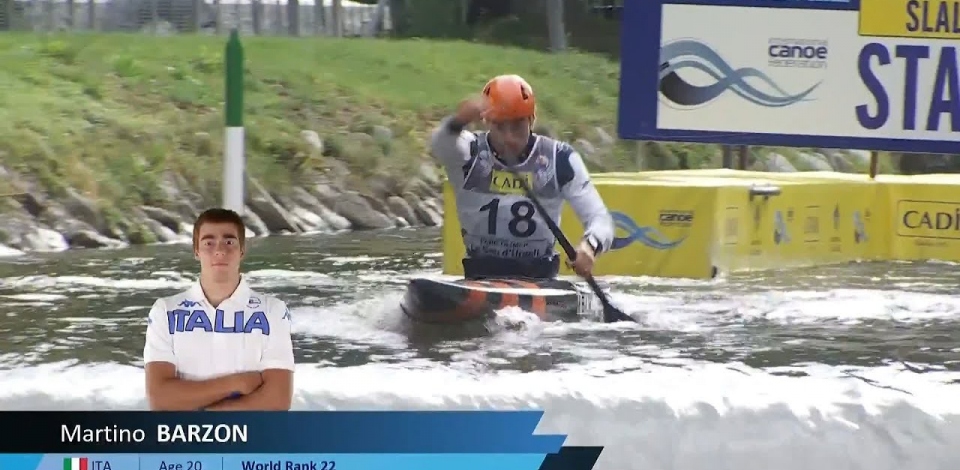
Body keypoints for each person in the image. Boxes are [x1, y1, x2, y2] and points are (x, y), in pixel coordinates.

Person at [430, 74, 615, 280]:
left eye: (517, 126)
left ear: (532, 120)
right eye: (500, 126)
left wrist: (590, 247)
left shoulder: (560, 159)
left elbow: (600, 219)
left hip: (539, 276)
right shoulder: (467, 152)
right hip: (480, 273)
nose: (509, 138)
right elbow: (439, 143)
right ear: (486, 122)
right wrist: (459, 120)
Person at [143, 208, 295, 411]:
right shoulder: (165, 311)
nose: (219, 250)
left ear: (242, 249)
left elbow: (277, 401)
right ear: (196, 250)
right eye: (208, 242)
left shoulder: (272, 311)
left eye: (229, 242)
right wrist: (236, 383)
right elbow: (160, 400)